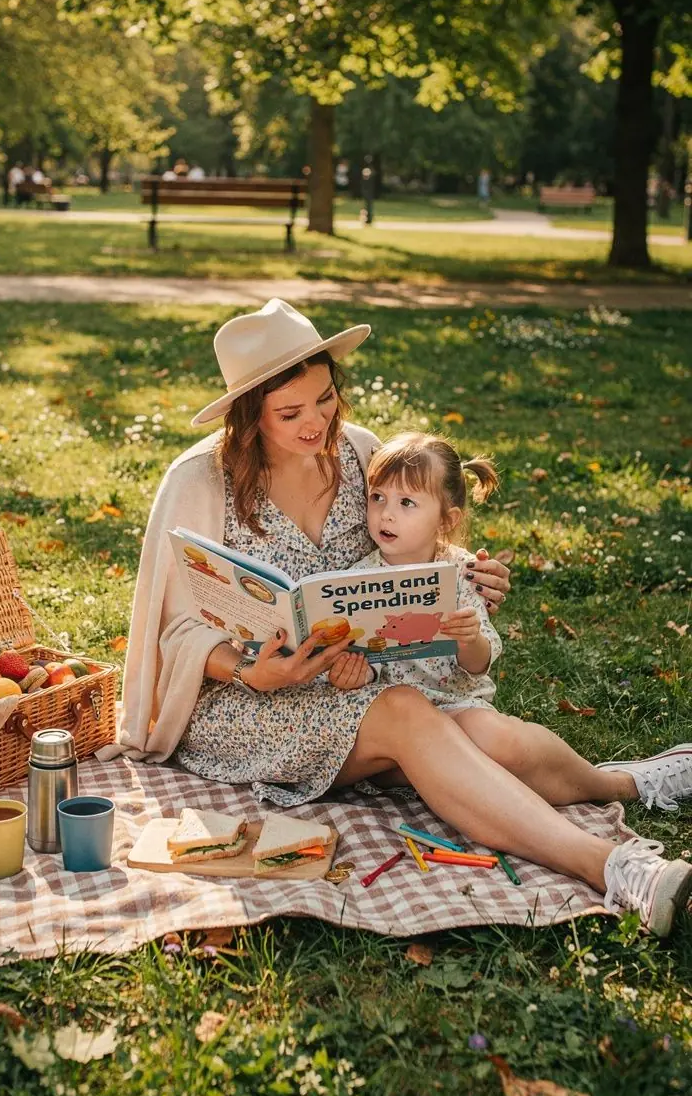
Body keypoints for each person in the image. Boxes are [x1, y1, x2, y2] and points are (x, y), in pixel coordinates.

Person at [121, 299, 692, 935]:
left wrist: (465, 580)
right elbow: (175, 630)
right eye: (290, 412)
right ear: (248, 418)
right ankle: (610, 866)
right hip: (246, 702)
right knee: (405, 714)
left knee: (488, 737)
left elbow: (420, 546)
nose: (317, 423)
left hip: (372, 679)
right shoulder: (199, 481)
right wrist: (256, 671)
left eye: (325, 398)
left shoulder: (363, 453)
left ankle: (624, 785)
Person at [335, 431, 692, 825]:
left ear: (446, 520)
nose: (386, 514)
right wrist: (352, 673)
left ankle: (620, 783)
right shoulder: (357, 582)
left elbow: (480, 661)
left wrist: (467, 639)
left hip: (458, 708)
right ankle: (608, 787)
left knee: (499, 742)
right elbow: (365, 666)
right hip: (396, 739)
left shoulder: (459, 572)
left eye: (407, 503)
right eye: (377, 497)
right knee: (476, 760)